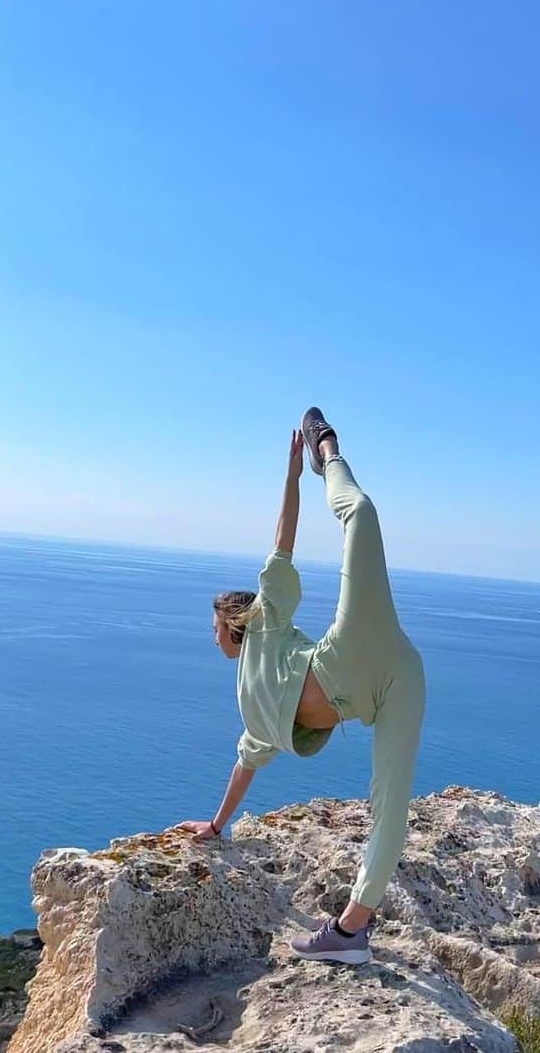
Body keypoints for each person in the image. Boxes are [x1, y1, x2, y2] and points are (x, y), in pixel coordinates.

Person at [174, 407, 427, 964]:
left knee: (359, 513)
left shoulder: (265, 618)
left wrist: (293, 477)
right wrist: (217, 826)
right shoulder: (252, 703)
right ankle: (350, 932)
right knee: (389, 808)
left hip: (352, 649)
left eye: (213, 626)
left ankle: (329, 452)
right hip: (391, 682)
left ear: (232, 622)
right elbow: (247, 761)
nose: (211, 635)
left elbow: (282, 542)